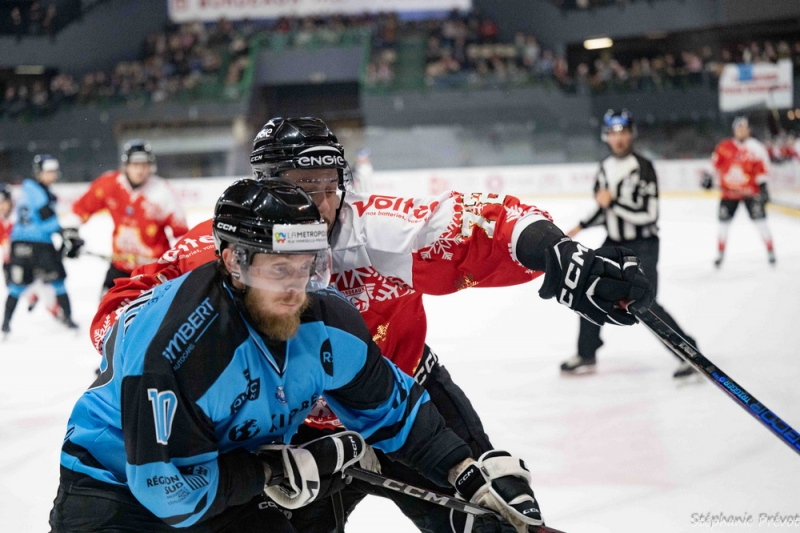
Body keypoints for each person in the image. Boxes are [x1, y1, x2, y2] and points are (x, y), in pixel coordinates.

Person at [91, 117, 653, 532]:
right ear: (265, 184)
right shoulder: (224, 249)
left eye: (327, 185)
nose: (319, 203)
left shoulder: (377, 230)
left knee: (494, 516)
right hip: (290, 435)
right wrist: (170, 372)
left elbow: (483, 223)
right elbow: (123, 308)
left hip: (400, 403)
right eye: (297, 185)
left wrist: (556, 252)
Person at [49, 178, 543, 533]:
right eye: (277, 268)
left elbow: (395, 412)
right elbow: (168, 492)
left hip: (224, 471)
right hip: (113, 492)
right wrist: (270, 471)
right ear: (233, 263)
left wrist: (469, 474)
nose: (295, 287)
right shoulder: (175, 351)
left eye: (307, 266)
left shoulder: (328, 322)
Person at [563, 109, 697, 379]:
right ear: (606, 137)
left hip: (643, 244)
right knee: (586, 291)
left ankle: (687, 352)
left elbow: (648, 214)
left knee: (644, 303)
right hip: (614, 243)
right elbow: (603, 209)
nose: (618, 138)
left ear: (631, 134)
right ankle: (586, 352)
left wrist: (612, 202)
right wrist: (579, 226)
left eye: (622, 132)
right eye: (613, 133)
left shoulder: (643, 167)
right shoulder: (604, 168)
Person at [70, 139, 188, 295]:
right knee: (105, 313)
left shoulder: (162, 192)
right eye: (135, 165)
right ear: (126, 166)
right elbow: (82, 208)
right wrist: (70, 232)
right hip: (120, 266)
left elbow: (182, 234)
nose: (140, 170)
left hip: (153, 270)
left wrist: (182, 260)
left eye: (144, 165)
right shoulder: (110, 184)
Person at [2, 155, 83, 335]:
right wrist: (64, 233)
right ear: (39, 173)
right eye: (48, 172)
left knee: (17, 286)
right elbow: (47, 220)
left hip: (19, 244)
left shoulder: (28, 189)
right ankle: (69, 320)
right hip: (39, 245)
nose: (52, 175)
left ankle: (5, 324)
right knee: (58, 281)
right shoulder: (39, 192)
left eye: (53, 171)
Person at [703, 116, 775, 267]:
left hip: (751, 193)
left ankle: (770, 251)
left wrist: (763, 187)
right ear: (734, 130)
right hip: (729, 194)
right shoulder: (724, 146)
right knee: (723, 225)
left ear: (748, 130)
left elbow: (762, 169)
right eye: (738, 128)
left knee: (761, 222)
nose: (741, 131)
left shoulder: (756, 148)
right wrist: (708, 178)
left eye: (744, 128)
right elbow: (714, 164)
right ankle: (720, 254)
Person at [0, 184, 13, 285]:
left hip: (21, 263)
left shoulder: (17, 220)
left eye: (3, 202)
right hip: (6, 263)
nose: (1, 206)